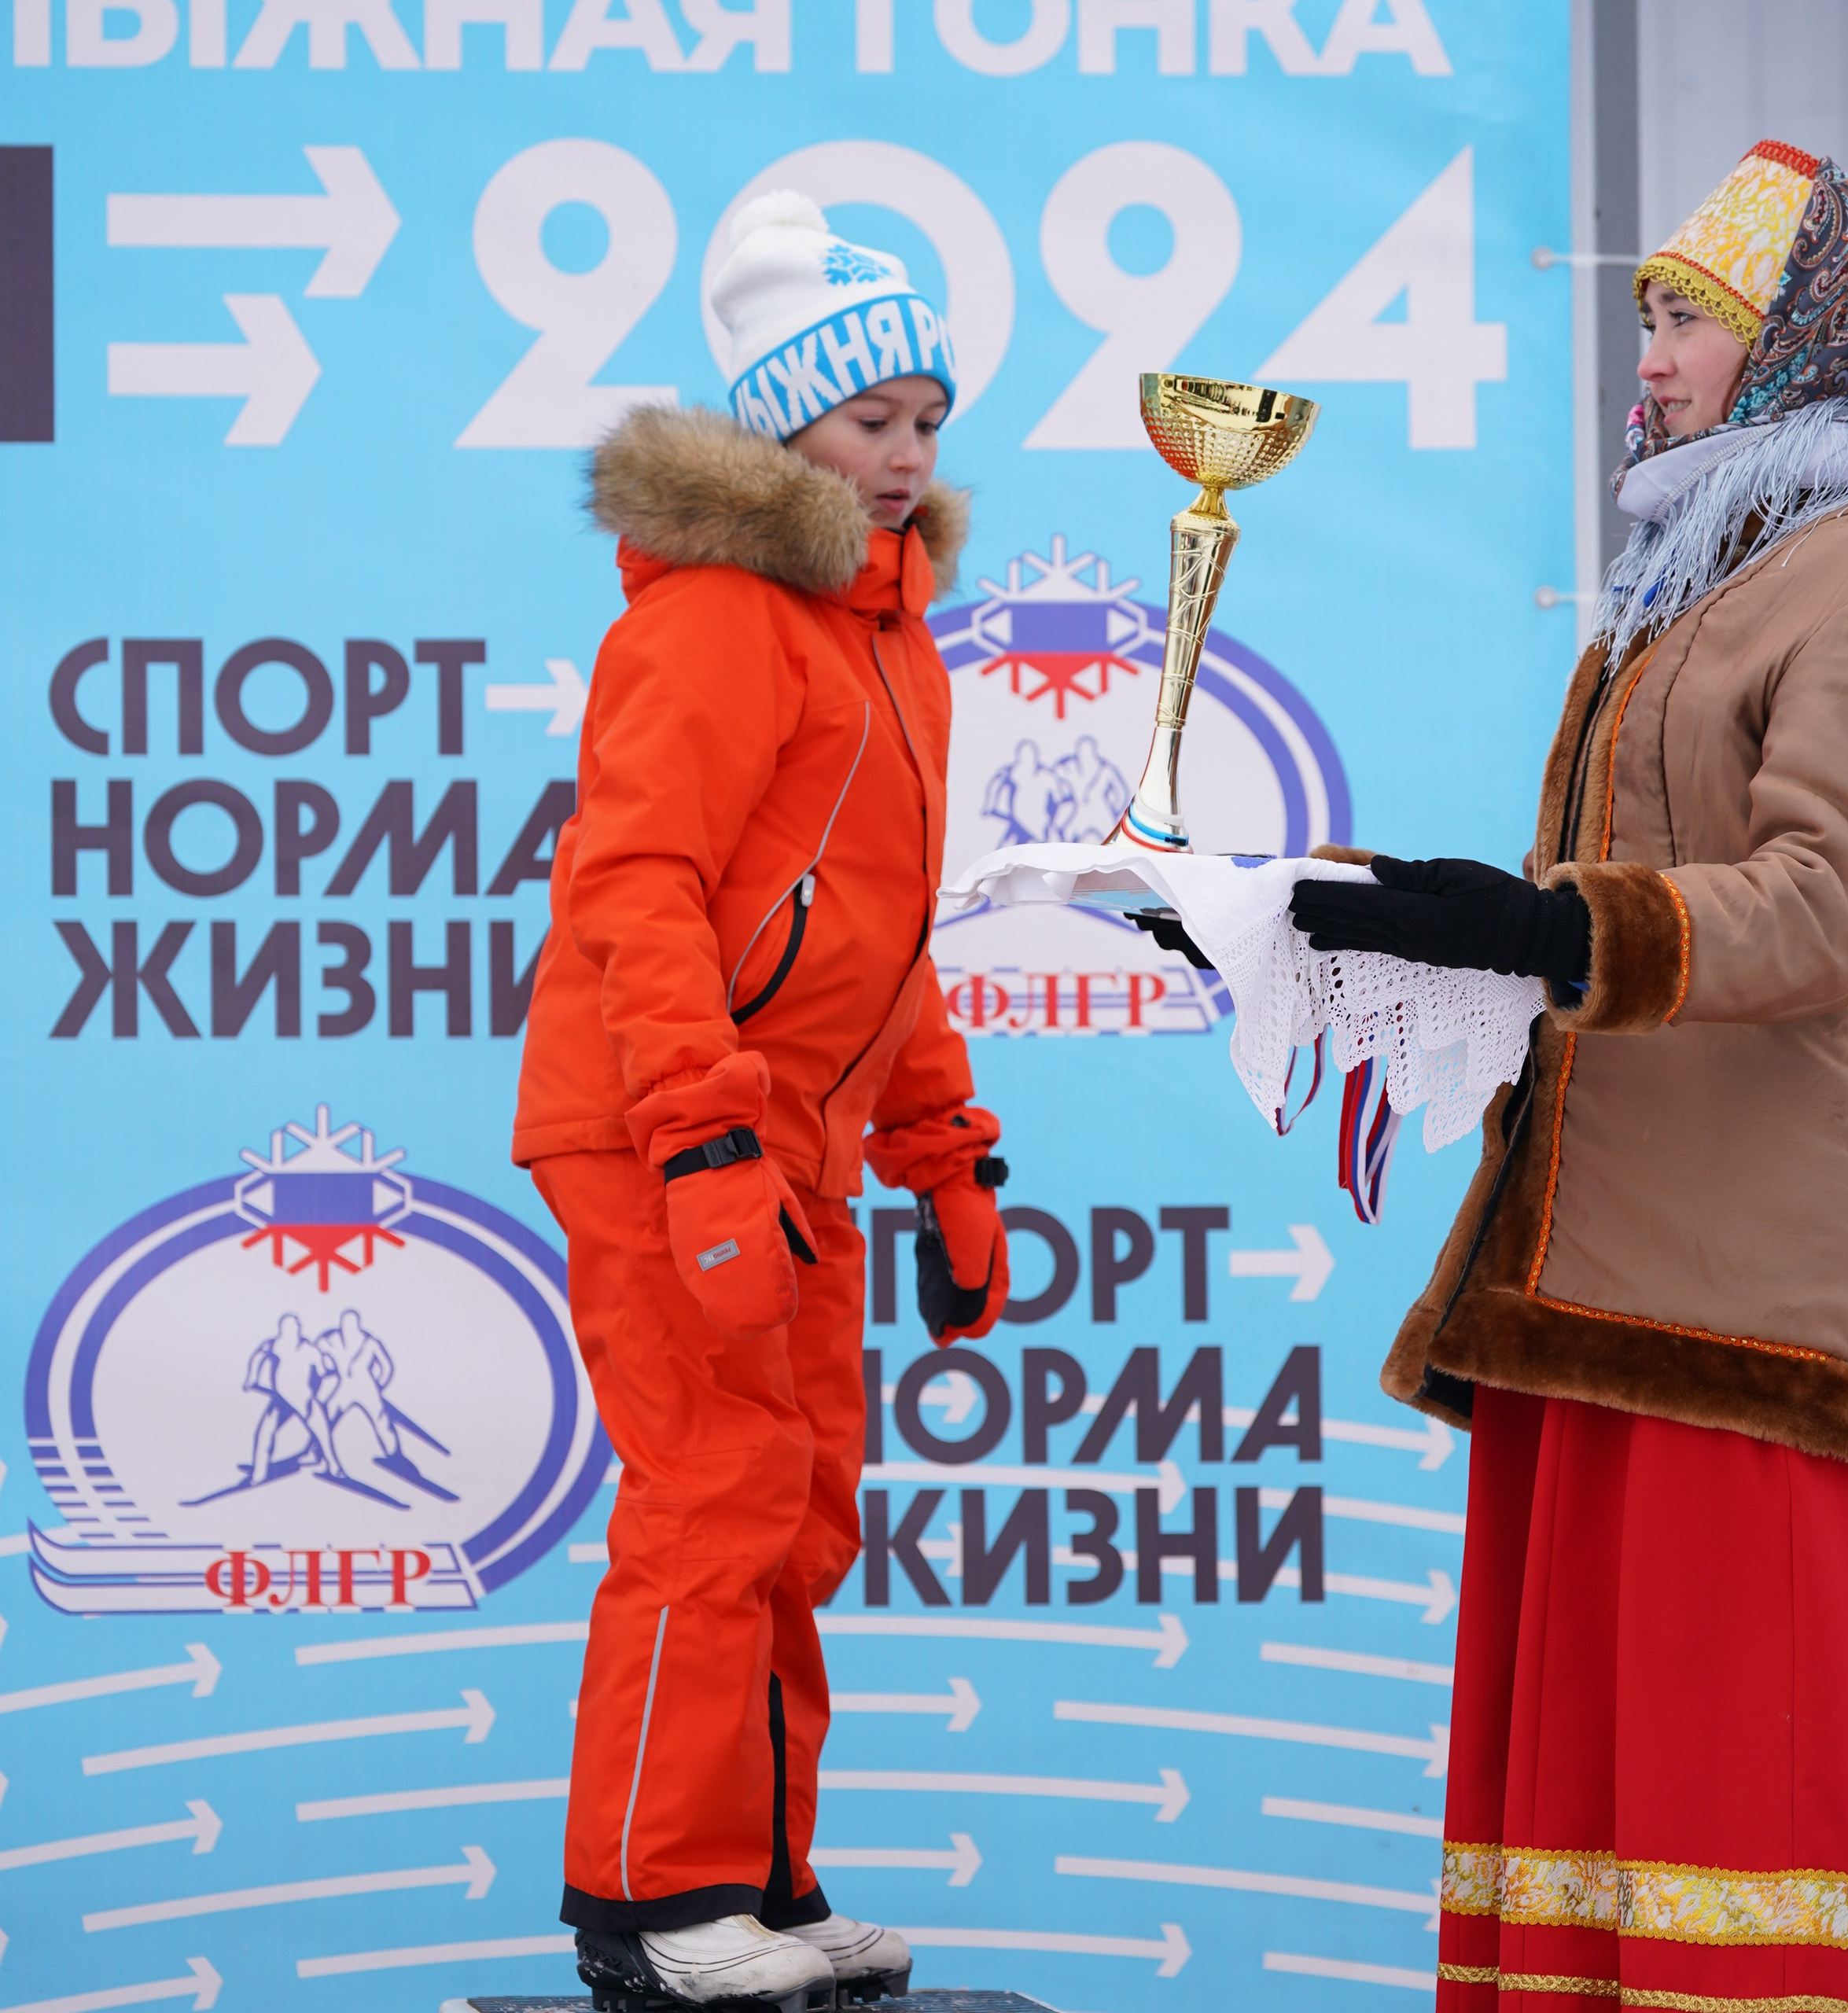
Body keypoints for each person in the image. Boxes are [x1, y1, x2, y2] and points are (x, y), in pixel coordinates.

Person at [1290, 141, 1848, 2010]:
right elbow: (1611, 899)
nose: (1652, 355)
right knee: (1583, 1866)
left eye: (1687, 318)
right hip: (1598, 1275)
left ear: (1802, 343)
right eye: (1648, 319)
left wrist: (1538, 929)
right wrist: (1360, 926)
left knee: (1724, 1865)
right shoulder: (1703, 581)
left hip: (1750, 1306)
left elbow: (1825, 903)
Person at [513, 190, 1012, 2013]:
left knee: (797, 1505)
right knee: (710, 1491)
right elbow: (634, 883)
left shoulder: (895, 647)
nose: (902, 456)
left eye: (927, 423)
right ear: (780, 420)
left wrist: (939, 1151)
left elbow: (886, 947)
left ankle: (757, 1882)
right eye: (869, 418)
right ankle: (647, 1906)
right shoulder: (719, 614)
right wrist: (704, 1131)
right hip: (665, 1121)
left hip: (787, 1135)